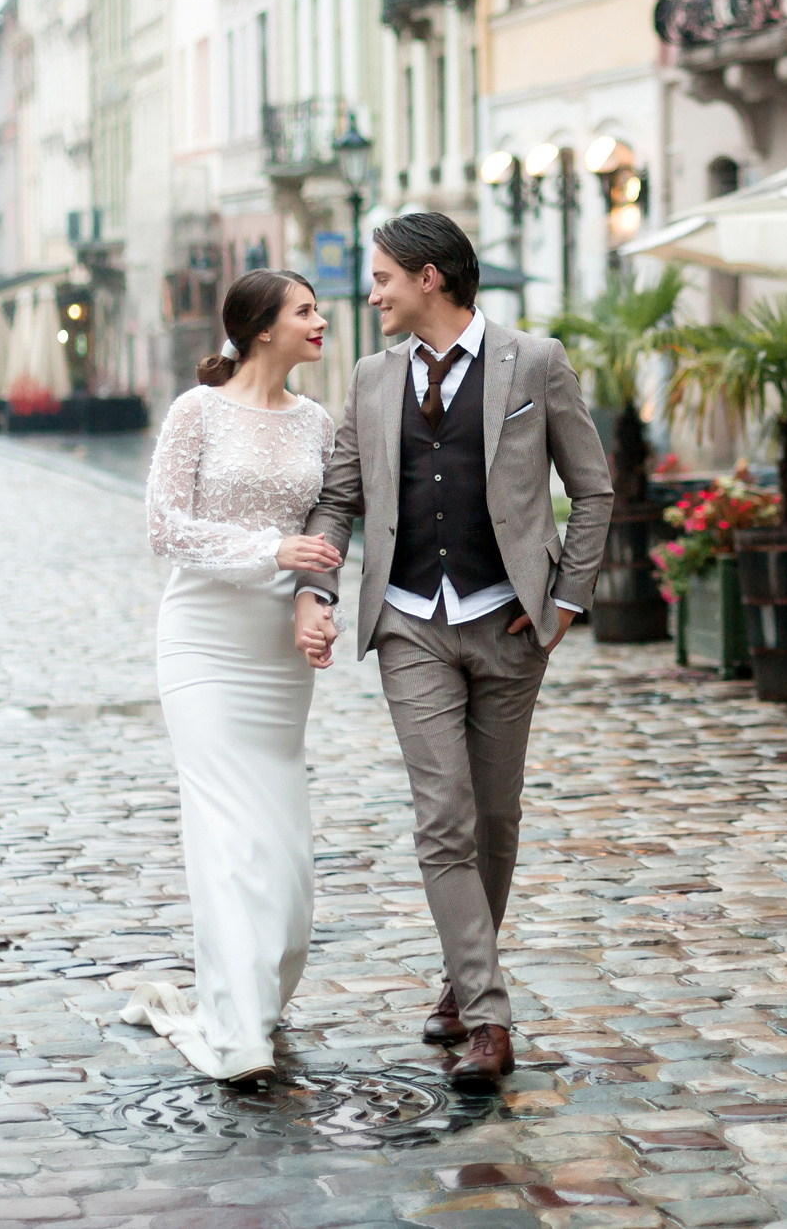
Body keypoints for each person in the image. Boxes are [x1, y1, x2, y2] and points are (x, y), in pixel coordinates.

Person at [294, 212, 612, 1090]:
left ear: (430, 277)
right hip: (408, 621)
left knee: (496, 820)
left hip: (509, 622)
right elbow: (341, 497)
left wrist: (564, 603)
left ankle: (457, 978)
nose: (372, 294)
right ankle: (487, 1017)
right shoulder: (371, 376)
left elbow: (594, 490)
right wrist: (316, 588)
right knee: (445, 819)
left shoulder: (535, 363)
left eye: (384, 278)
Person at [121, 270, 344, 1083]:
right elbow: (163, 527)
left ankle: (261, 992)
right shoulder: (196, 412)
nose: (322, 320)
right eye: (306, 311)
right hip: (203, 642)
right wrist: (268, 552)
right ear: (259, 330)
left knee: (283, 849)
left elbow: (328, 529)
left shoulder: (318, 423)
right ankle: (238, 1023)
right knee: (225, 831)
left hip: (279, 656)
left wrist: (316, 601)